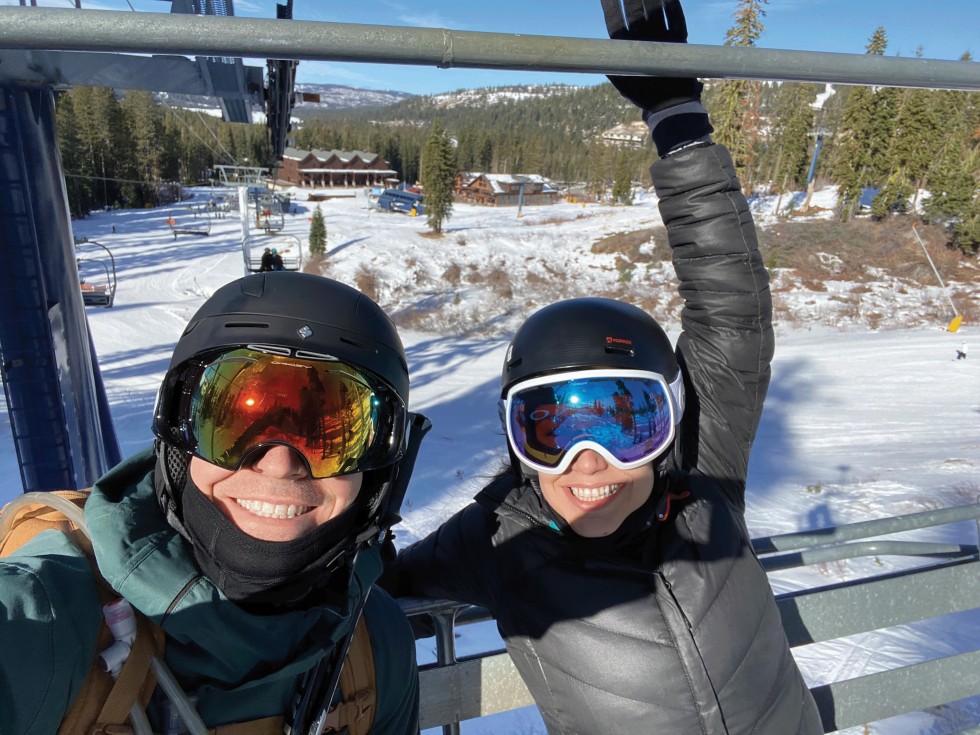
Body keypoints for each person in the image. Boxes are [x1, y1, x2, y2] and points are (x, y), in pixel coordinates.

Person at [383, 1, 823, 732]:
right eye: (552, 428)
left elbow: (732, 317)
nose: (589, 463)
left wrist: (677, 114)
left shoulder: (703, 482)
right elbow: (366, 584)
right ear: (518, 440)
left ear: (668, 423)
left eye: (624, 421)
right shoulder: (501, 540)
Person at [0, 273, 425, 735]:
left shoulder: (373, 641)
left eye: (329, 431)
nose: (280, 464)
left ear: (377, 474)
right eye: (237, 420)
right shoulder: (50, 621)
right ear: (179, 445)